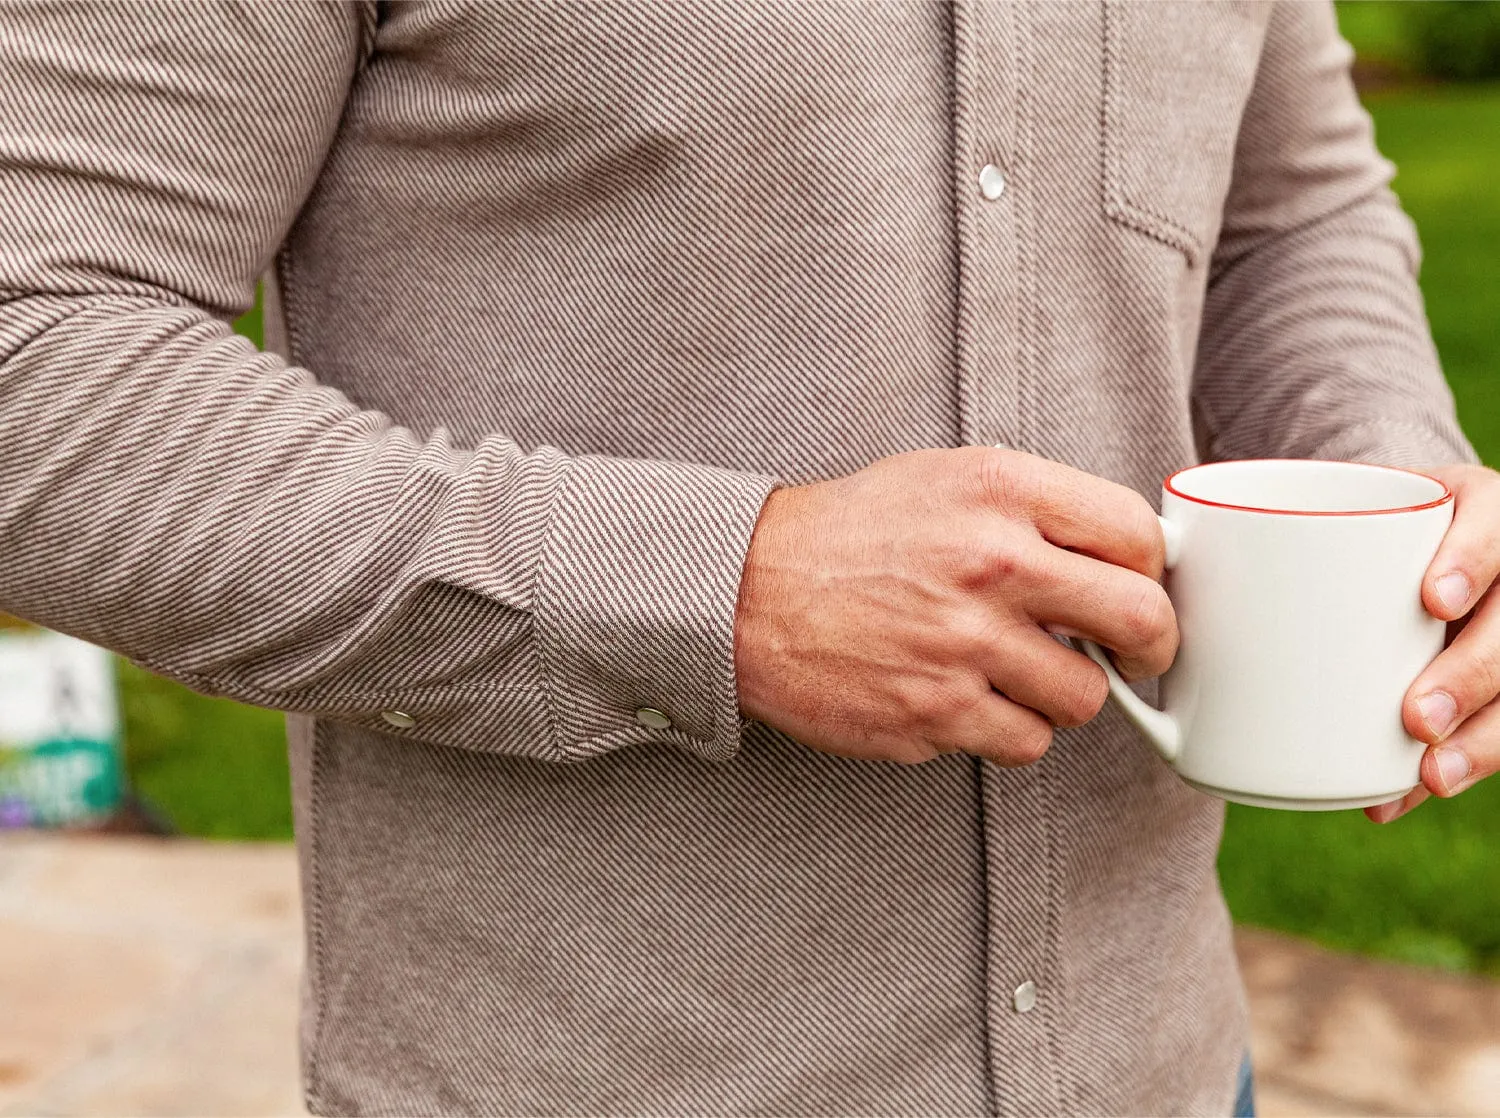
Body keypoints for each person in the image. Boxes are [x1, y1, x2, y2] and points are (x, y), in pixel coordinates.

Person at [1, 2, 1496, 1114]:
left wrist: (1394, 499)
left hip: (1166, 1066)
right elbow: (37, 343)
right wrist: (719, 587)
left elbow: (1285, 217)